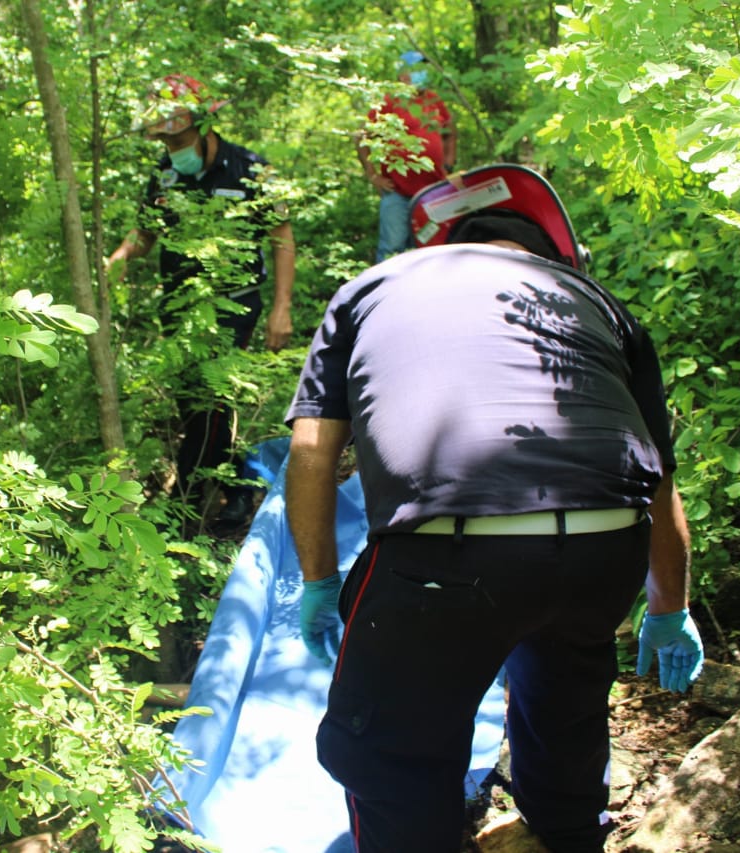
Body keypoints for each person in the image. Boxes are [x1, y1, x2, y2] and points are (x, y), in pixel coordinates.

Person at [285, 164, 705, 852]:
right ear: (550, 254)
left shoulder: (371, 289)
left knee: (390, 759)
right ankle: (567, 833)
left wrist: (320, 579)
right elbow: (658, 479)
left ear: (438, 244)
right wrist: (669, 609)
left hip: (443, 558)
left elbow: (311, 451)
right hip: (606, 550)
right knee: (564, 706)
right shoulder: (598, 303)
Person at [108, 74, 296, 529]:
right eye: (165, 140)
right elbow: (146, 232)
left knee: (211, 400)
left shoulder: (250, 169)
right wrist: (121, 254)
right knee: (192, 400)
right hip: (179, 307)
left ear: (205, 127)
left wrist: (280, 307)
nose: (174, 149)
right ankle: (237, 487)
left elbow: (282, 235)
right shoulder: (164, 173)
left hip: (233, 301)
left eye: (179, 138)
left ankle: (188, 498)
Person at [356, 50, 456, 262]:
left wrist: (448, 165)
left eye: (424, 69)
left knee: (431, 249)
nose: (423, 74)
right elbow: (362, 138)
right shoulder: (390, 103)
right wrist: (373, 175)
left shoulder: (434, 101)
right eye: (417, 69)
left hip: (433, 192)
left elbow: (450, 133)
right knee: (391, 250)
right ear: (403, 75)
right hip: (398, 192)